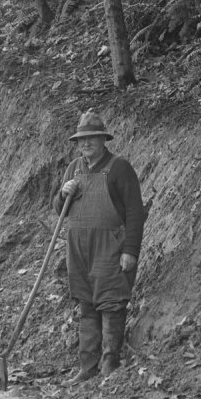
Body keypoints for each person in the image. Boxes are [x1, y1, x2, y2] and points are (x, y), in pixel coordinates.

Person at [57, 110, 145, 381]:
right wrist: (63, 194)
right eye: (82, 140)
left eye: (92, 138)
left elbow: (134, 212)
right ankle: (87, 367)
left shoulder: (119, 167)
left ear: (103, 139)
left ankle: (110, 364)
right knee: (87, 305)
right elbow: (60, 210)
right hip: (79, 249)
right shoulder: (73, 168)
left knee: (111, 303)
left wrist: (130, 251)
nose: (86, 144)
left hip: (110, 247)